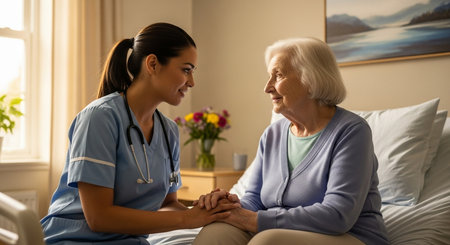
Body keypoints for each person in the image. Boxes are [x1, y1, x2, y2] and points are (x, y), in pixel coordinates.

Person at [40, 22, 238, 244]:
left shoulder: (168, 130)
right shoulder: (99, 118)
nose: (191, 82)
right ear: (153, 64)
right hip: (75, 239)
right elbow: (98, 217)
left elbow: (167, 205)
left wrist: (205, 210)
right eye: (186, 69)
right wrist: (187, 219)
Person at [192, 37, 389, 245]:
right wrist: (228, 207)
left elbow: (338, 214)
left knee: (268, 242)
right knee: (216, 232)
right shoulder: (273, 134)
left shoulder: (352, 131)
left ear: (311, 79)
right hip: (277, 231)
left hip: (348, 236)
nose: (267, 87)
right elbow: (255, 199)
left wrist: (258, 220)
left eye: (278, 76)